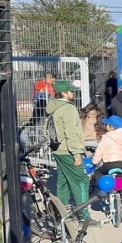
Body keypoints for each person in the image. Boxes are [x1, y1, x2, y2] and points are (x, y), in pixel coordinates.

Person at [47, 81, 91, 221]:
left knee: (63, 181)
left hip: (58, 150)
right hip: (68, 151)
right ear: (64, 93)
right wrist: (77, 154)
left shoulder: (53, 107)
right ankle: (83, 215)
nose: (74, 93)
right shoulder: (68, 109)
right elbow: (70, 133)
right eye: (71, 91)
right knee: (82, 181)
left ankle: (62, 212)